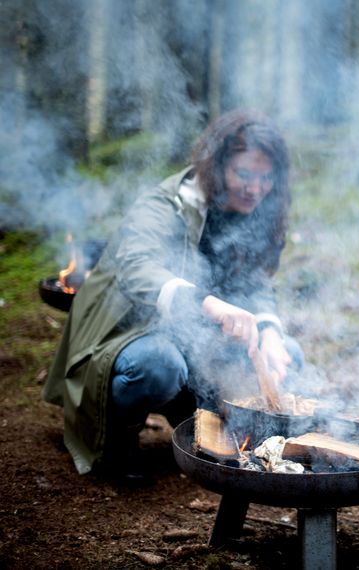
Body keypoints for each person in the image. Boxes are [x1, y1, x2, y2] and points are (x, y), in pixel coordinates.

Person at [44, 110, 303, 481]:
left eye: (266, 178)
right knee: (159, 365)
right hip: (131, 334)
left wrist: (270, 333)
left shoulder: (256, 212)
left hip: (199, 342)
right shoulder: (166, 205)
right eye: (244, 174)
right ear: (216, 166)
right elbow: (137, 268)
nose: (255, 188)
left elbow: (257, 283)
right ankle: (114, 441)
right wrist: (207, 302)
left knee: (289, 353)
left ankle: (223, 431)